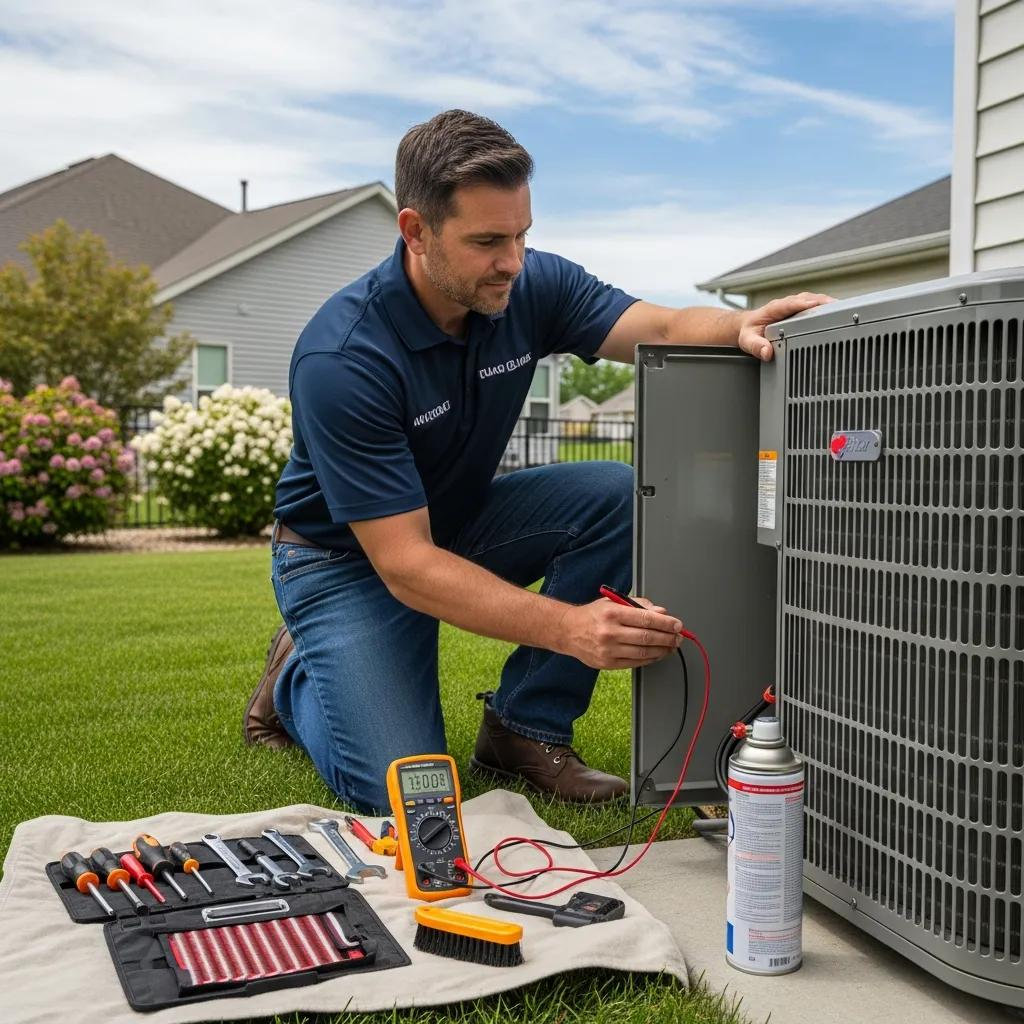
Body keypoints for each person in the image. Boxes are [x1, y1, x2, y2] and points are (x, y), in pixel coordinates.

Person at [243, 109, 830, 814]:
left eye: (522, 235)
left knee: (615, 495)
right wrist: (573, 628)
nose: (512, 262)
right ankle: (296, 680)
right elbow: (405, 565)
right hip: (345, 560)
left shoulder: (529, 287)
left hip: (457, 523)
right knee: (409, 788)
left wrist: (739, 324)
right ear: (415, 231)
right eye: (487, 241)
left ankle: (525, 729)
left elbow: (666, 326)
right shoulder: (345, 358)